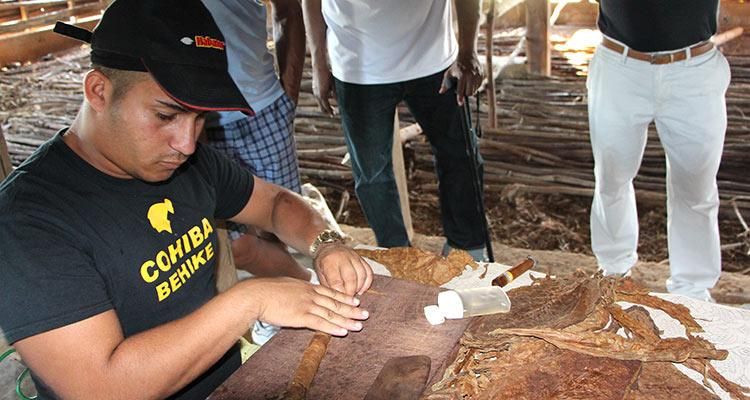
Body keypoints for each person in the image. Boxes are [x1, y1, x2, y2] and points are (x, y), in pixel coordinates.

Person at [0, 1, 372, 399]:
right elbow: (102, 387)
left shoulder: (188, 165)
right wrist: (249, 300)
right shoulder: (28, 221)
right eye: (166, 116)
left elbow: (276, 204)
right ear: (98, 91)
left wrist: (325, 244)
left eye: (200, 119)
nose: (187, 143)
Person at [302, 0, 488, 260]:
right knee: (372, 174)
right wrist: (319, 64)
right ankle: (399, 258)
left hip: (435, 59)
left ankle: (468, 251)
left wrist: (468, 53)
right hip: (358, 67)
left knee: (461, 156)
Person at [588, 0, 729, 301]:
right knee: (611, 175)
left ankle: (692, 290)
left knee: (696, 185)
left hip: (694, 68)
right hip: (619, 66)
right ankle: (613, 273)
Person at [200, 0, 310, 345]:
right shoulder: (185, 133)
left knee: (277, 226)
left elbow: (288, 11)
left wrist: (287, 95)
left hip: (260, 106)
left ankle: (301, 296)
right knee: (238, 245)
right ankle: (301, 291)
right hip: (200, 119)